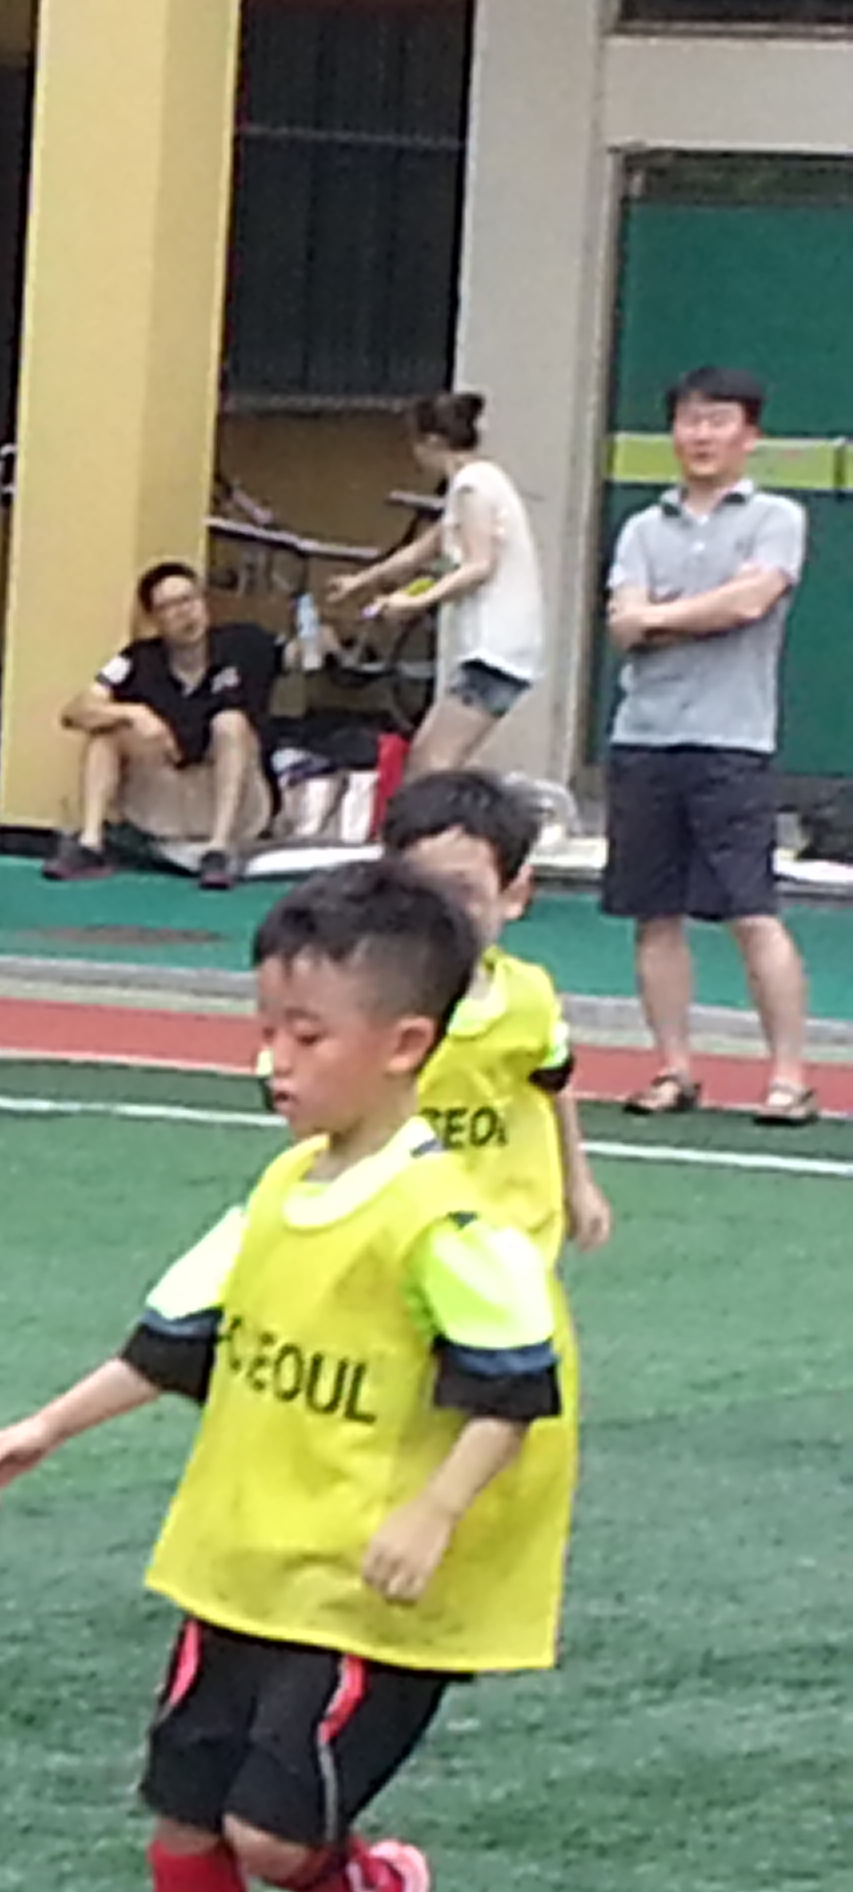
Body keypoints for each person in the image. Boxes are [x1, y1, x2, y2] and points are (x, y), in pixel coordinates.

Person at [0, 863, 569, 1892]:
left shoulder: (447, 1223)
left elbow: (515, 1384)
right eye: (266, 1030)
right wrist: (46, 1429)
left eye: (306, 1036)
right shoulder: (283, 1191)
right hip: (239, 1563)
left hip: (362, 1593)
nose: (272, 1062)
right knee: (184, 1817)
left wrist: (433, 1511)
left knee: (274, 1834)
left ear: (404, 1046)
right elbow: (174, 1338)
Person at [602, 365, 816, 1125]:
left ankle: (788, 1078)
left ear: (749, 435)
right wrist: (682, 614)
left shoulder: (776, 518)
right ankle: (673, 1071)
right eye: (690, 420)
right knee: (653, 914)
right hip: (644, 738)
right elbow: (622, 622)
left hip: (732, 744)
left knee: (751, 911)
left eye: (719, 420)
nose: (701, 435)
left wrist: (661, 616)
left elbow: (751, 602)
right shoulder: (642, 528)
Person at [380, 771, 611, 1261]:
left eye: (464, 891)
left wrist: (578, 1183)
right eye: (423, 890)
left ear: (513, 894)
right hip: (400, 1232)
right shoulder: (368, 1002)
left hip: (513, 1236)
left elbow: (553, 1084)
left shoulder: (529, 997)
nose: (444, 911)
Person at [328, 392, 548, 781]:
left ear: (431, 442)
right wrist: (362, 582)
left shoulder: (472, 488)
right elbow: (422, 552)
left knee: (432, 764)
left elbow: (479, 566)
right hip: (499, 650)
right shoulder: (478, 482)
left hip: (495, 650)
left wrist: (417, 603)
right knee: (430, 761)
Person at [47, 561, 280, 890]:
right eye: (169, 606)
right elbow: (75, 712)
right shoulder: (135, 660)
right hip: (162, 803)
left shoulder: (244, 644)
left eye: (189, 599)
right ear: (153, 619)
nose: (184, 613)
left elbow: (300, 655)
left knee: (231, 722)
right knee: (105, 732)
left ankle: (219, 852)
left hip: (237, 804)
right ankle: (90, 846)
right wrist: (133, 713)